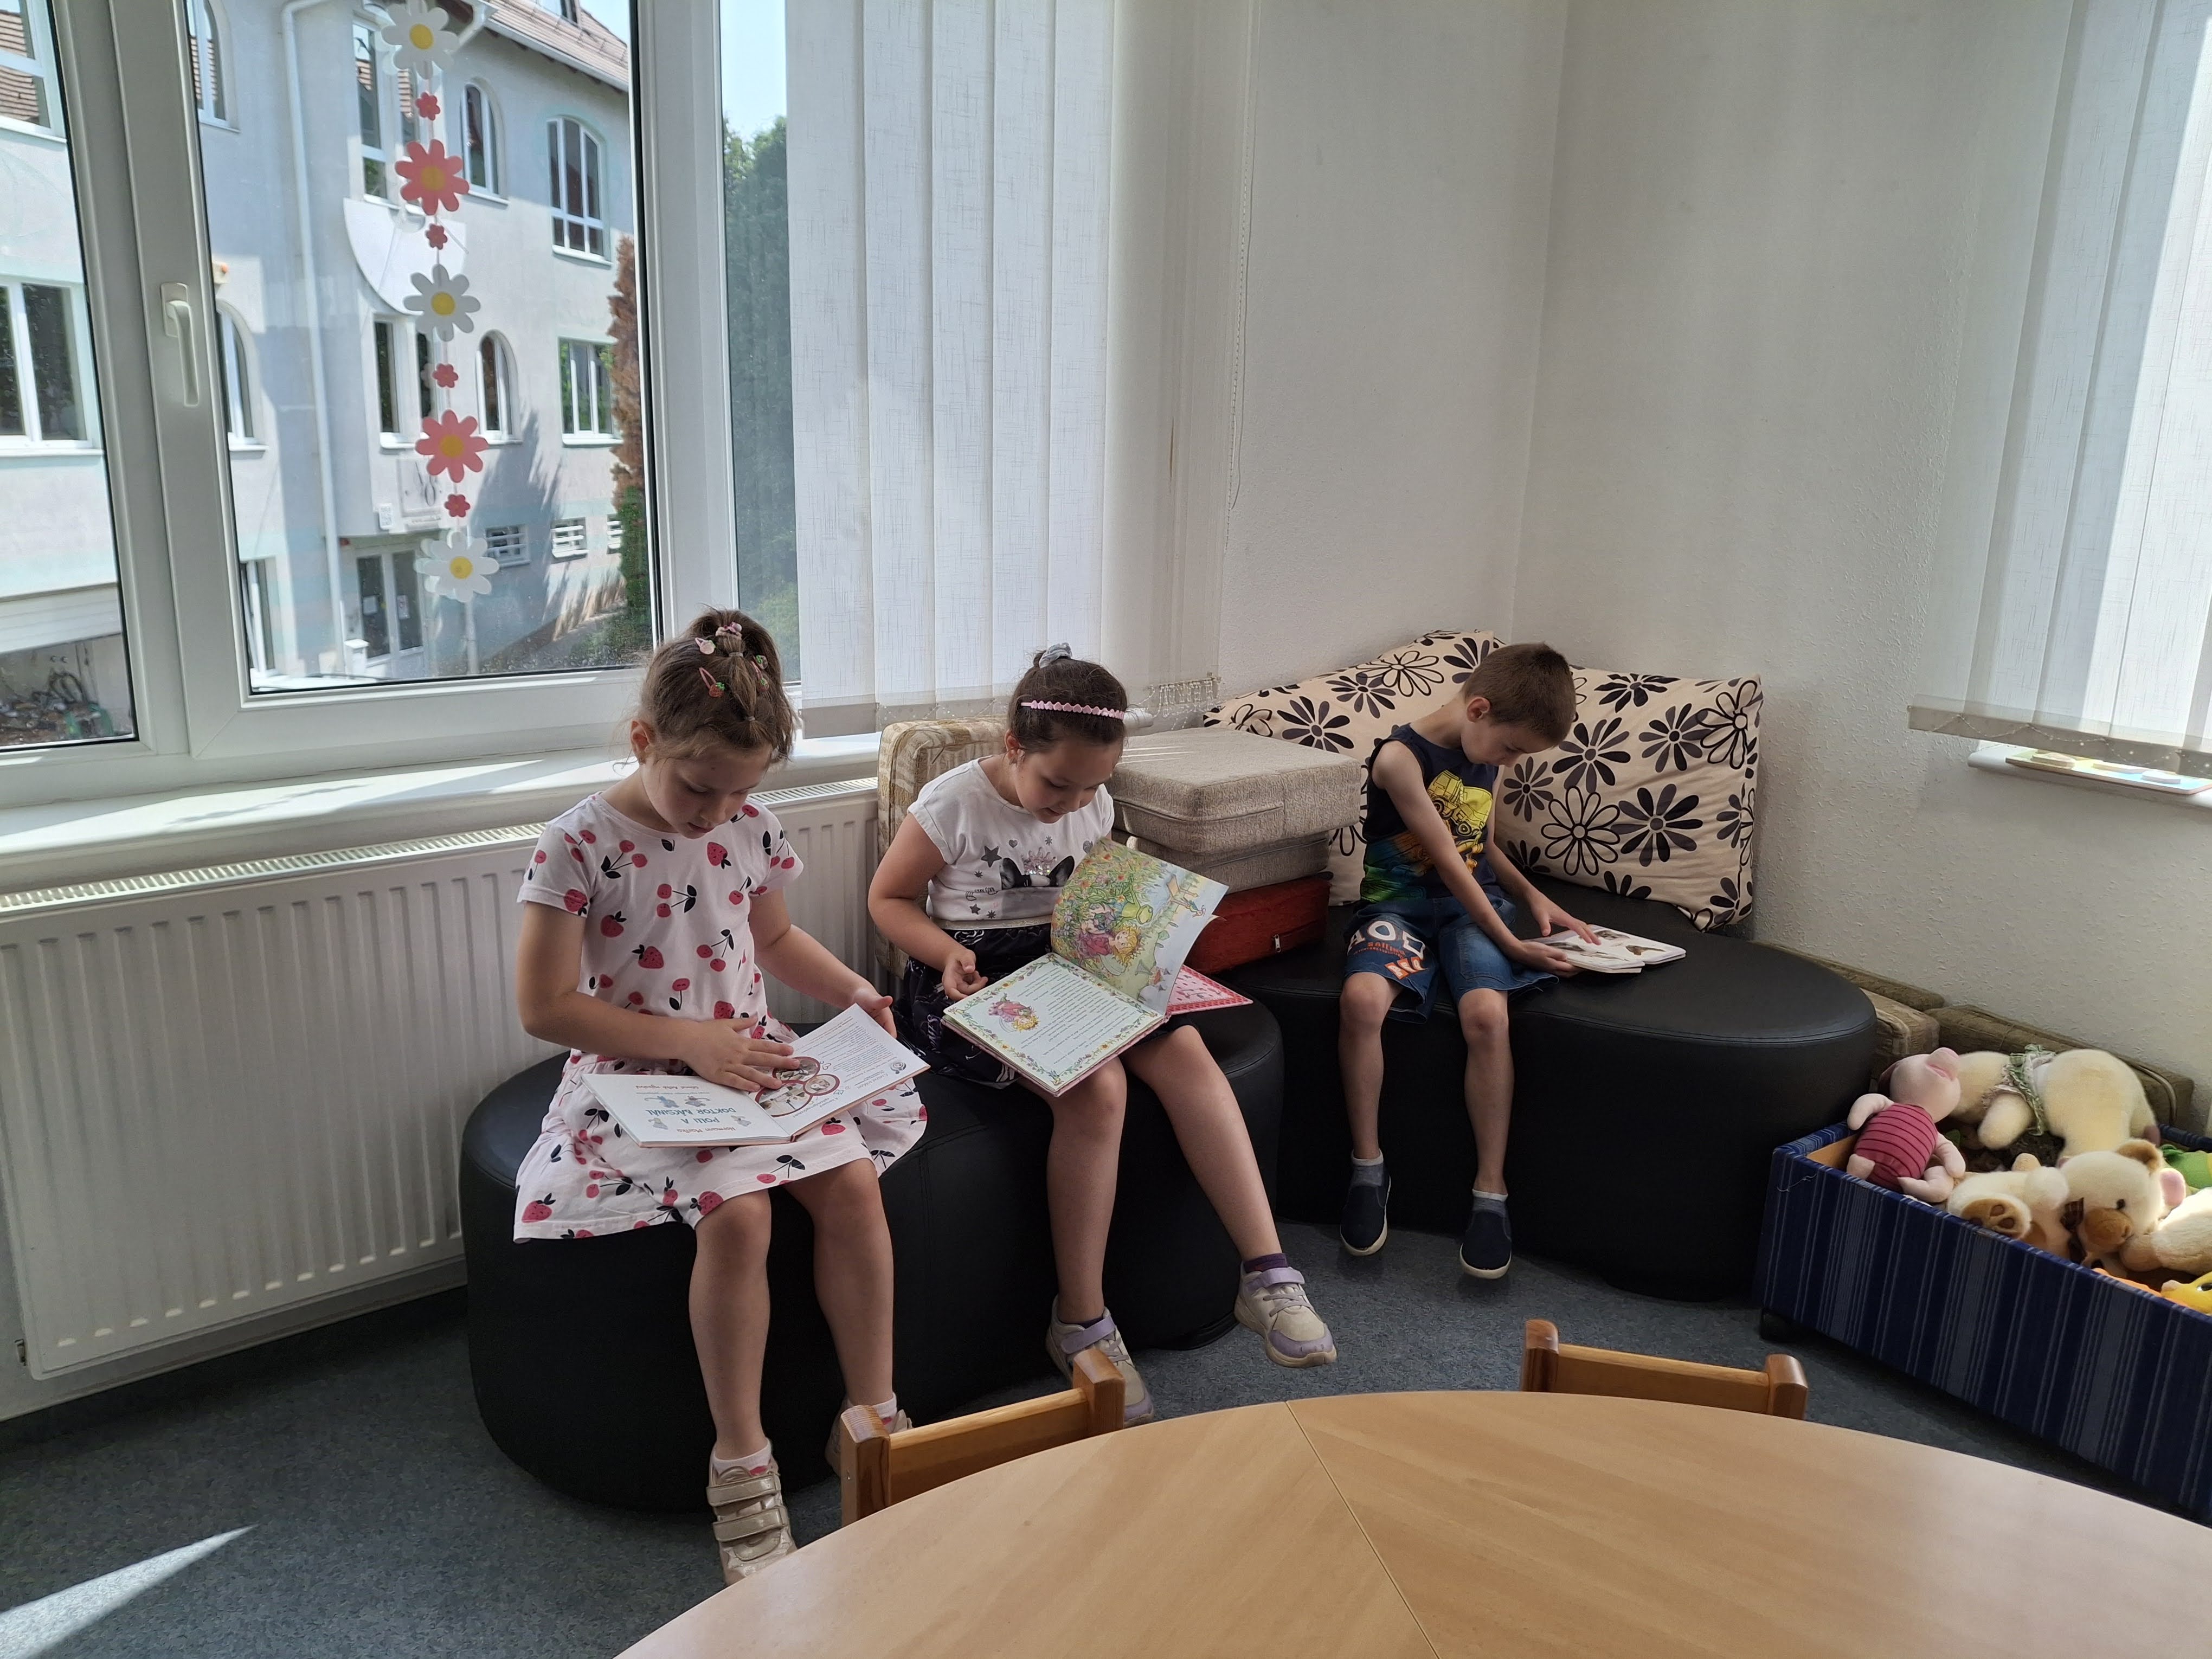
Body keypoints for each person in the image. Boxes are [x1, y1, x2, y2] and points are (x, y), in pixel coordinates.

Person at [511, 610, 924, 1585]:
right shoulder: (578, 843)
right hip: (639, 1075)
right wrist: (688, 1042)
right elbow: (545, 1006)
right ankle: (740, 1459)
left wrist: (854, 990)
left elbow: (774, 940)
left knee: (853, 1185)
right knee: (738, 1218)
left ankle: (873, 1421)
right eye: (700, 788)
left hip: (747, 1059)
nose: (717, 813)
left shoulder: (749, 826)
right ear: (643, 740)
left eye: (742, 790)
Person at [870, 647, 1338, 1422]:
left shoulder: (1092, 797)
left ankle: (1267, 1273)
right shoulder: (952, 804)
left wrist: (1145, 933)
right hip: (977, 980)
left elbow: (1093, 886)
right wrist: (945, 952)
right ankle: (1082, 1322)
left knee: (1187, 1050)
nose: (1074, 802)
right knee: (1098, 1088)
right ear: (1014, 747)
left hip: (1072, 962)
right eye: (1058, 784)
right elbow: (887, 899)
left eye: (1092, 786)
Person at [1337, 642, 1593, 1278]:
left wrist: (1534, 897)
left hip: (1467, 910)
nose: (1511, 763)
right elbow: (1448, 861)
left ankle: (1491, 1191)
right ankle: (1367, 1168)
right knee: (1362, 1002)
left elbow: (1481, 846)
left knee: (1487, 1016)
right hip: (1398, 906)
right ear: (1478, 709)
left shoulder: (1488, 752)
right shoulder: (1400, 759)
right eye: (1512, 750)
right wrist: (1511, 943)